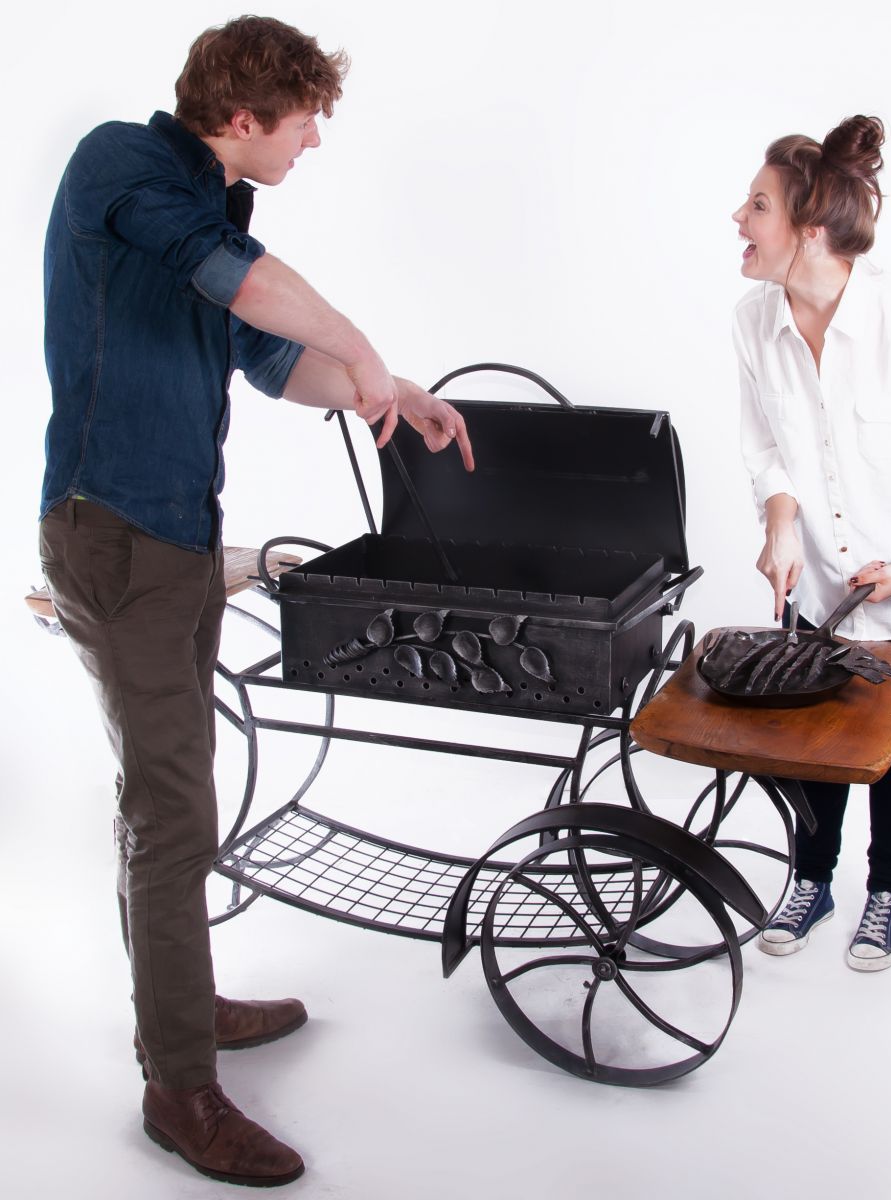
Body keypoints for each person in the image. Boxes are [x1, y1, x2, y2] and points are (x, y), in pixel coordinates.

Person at [39, 15, 474, 1188]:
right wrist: (366, 349)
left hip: (178, 539)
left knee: (179, 796)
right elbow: (257, 291)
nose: (316, 139)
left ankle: (181, 1004)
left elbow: (269, 357)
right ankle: (178, 1088)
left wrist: (397, 395)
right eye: (305, 117)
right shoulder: (122, 166)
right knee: (174, 808)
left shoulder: (216, 213)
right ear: (244, 117)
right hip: (114, 536)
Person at [730, 115, 891, 973]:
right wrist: (779, 520)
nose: (738, 218)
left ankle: (886, 892)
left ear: (807, 230)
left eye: (756, 205)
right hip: (823, 582)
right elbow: (764, 443)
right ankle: (813, 878)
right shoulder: (751, 323)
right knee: (813, 734)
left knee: (889, 738)